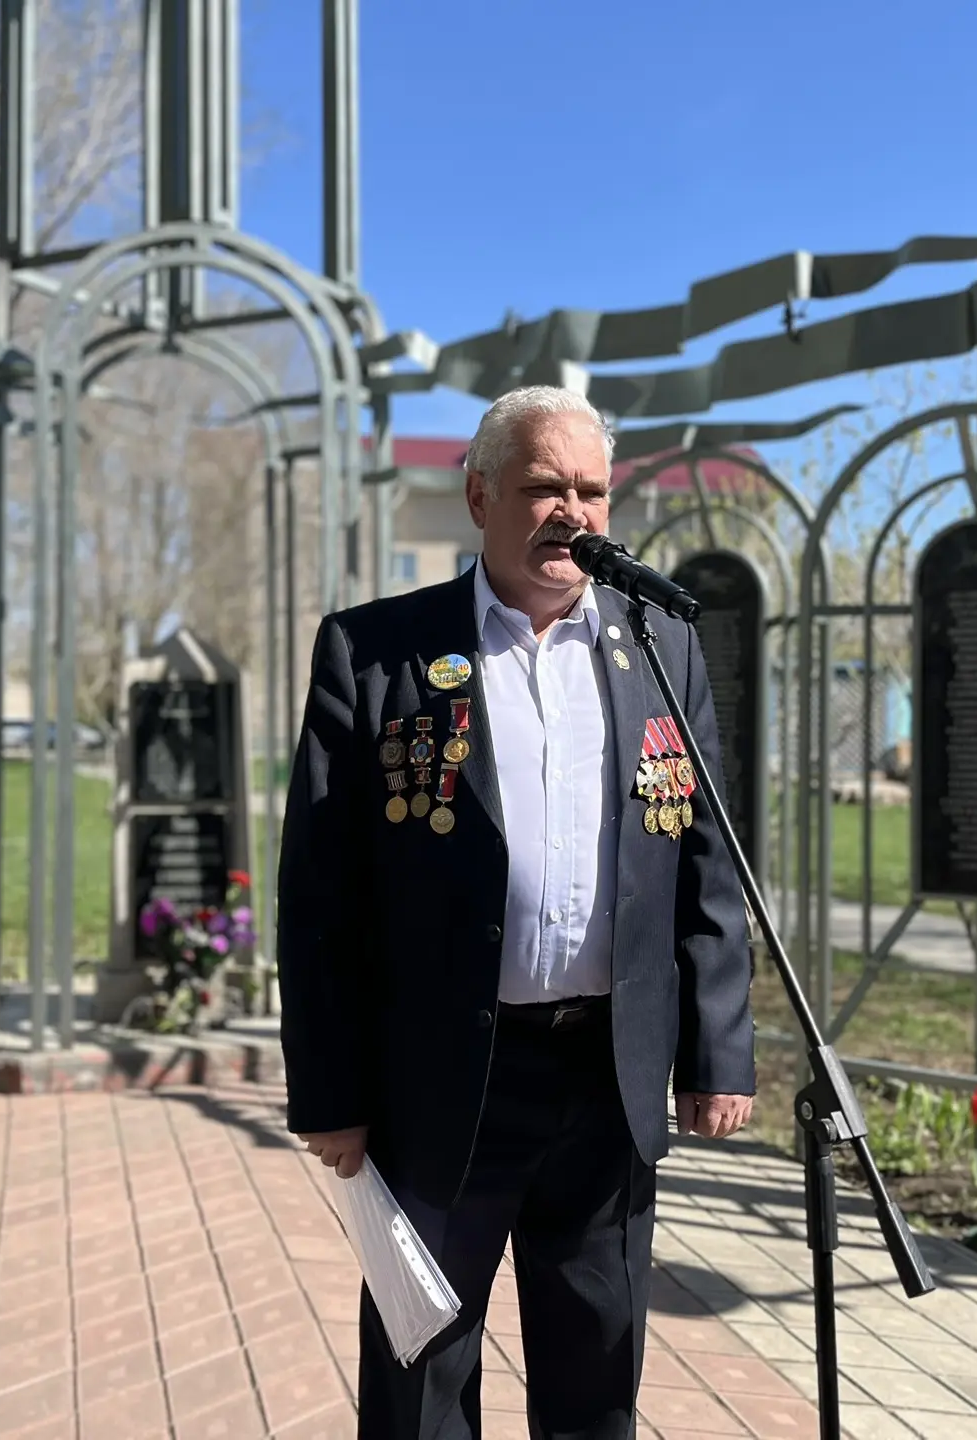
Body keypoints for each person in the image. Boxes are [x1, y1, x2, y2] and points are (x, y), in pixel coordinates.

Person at [277, 385, 757, 1439]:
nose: (572, 513)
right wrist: (329, 1088)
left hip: (606, 1082)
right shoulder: (376, 650)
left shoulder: (657, 645)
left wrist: (717, 1050)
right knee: (420, 1386)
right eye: (545, 487)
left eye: (592, 490)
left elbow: (705, 859)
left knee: (596, 1380)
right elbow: (319, 894)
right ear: (479, 496)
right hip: (439, 1083)